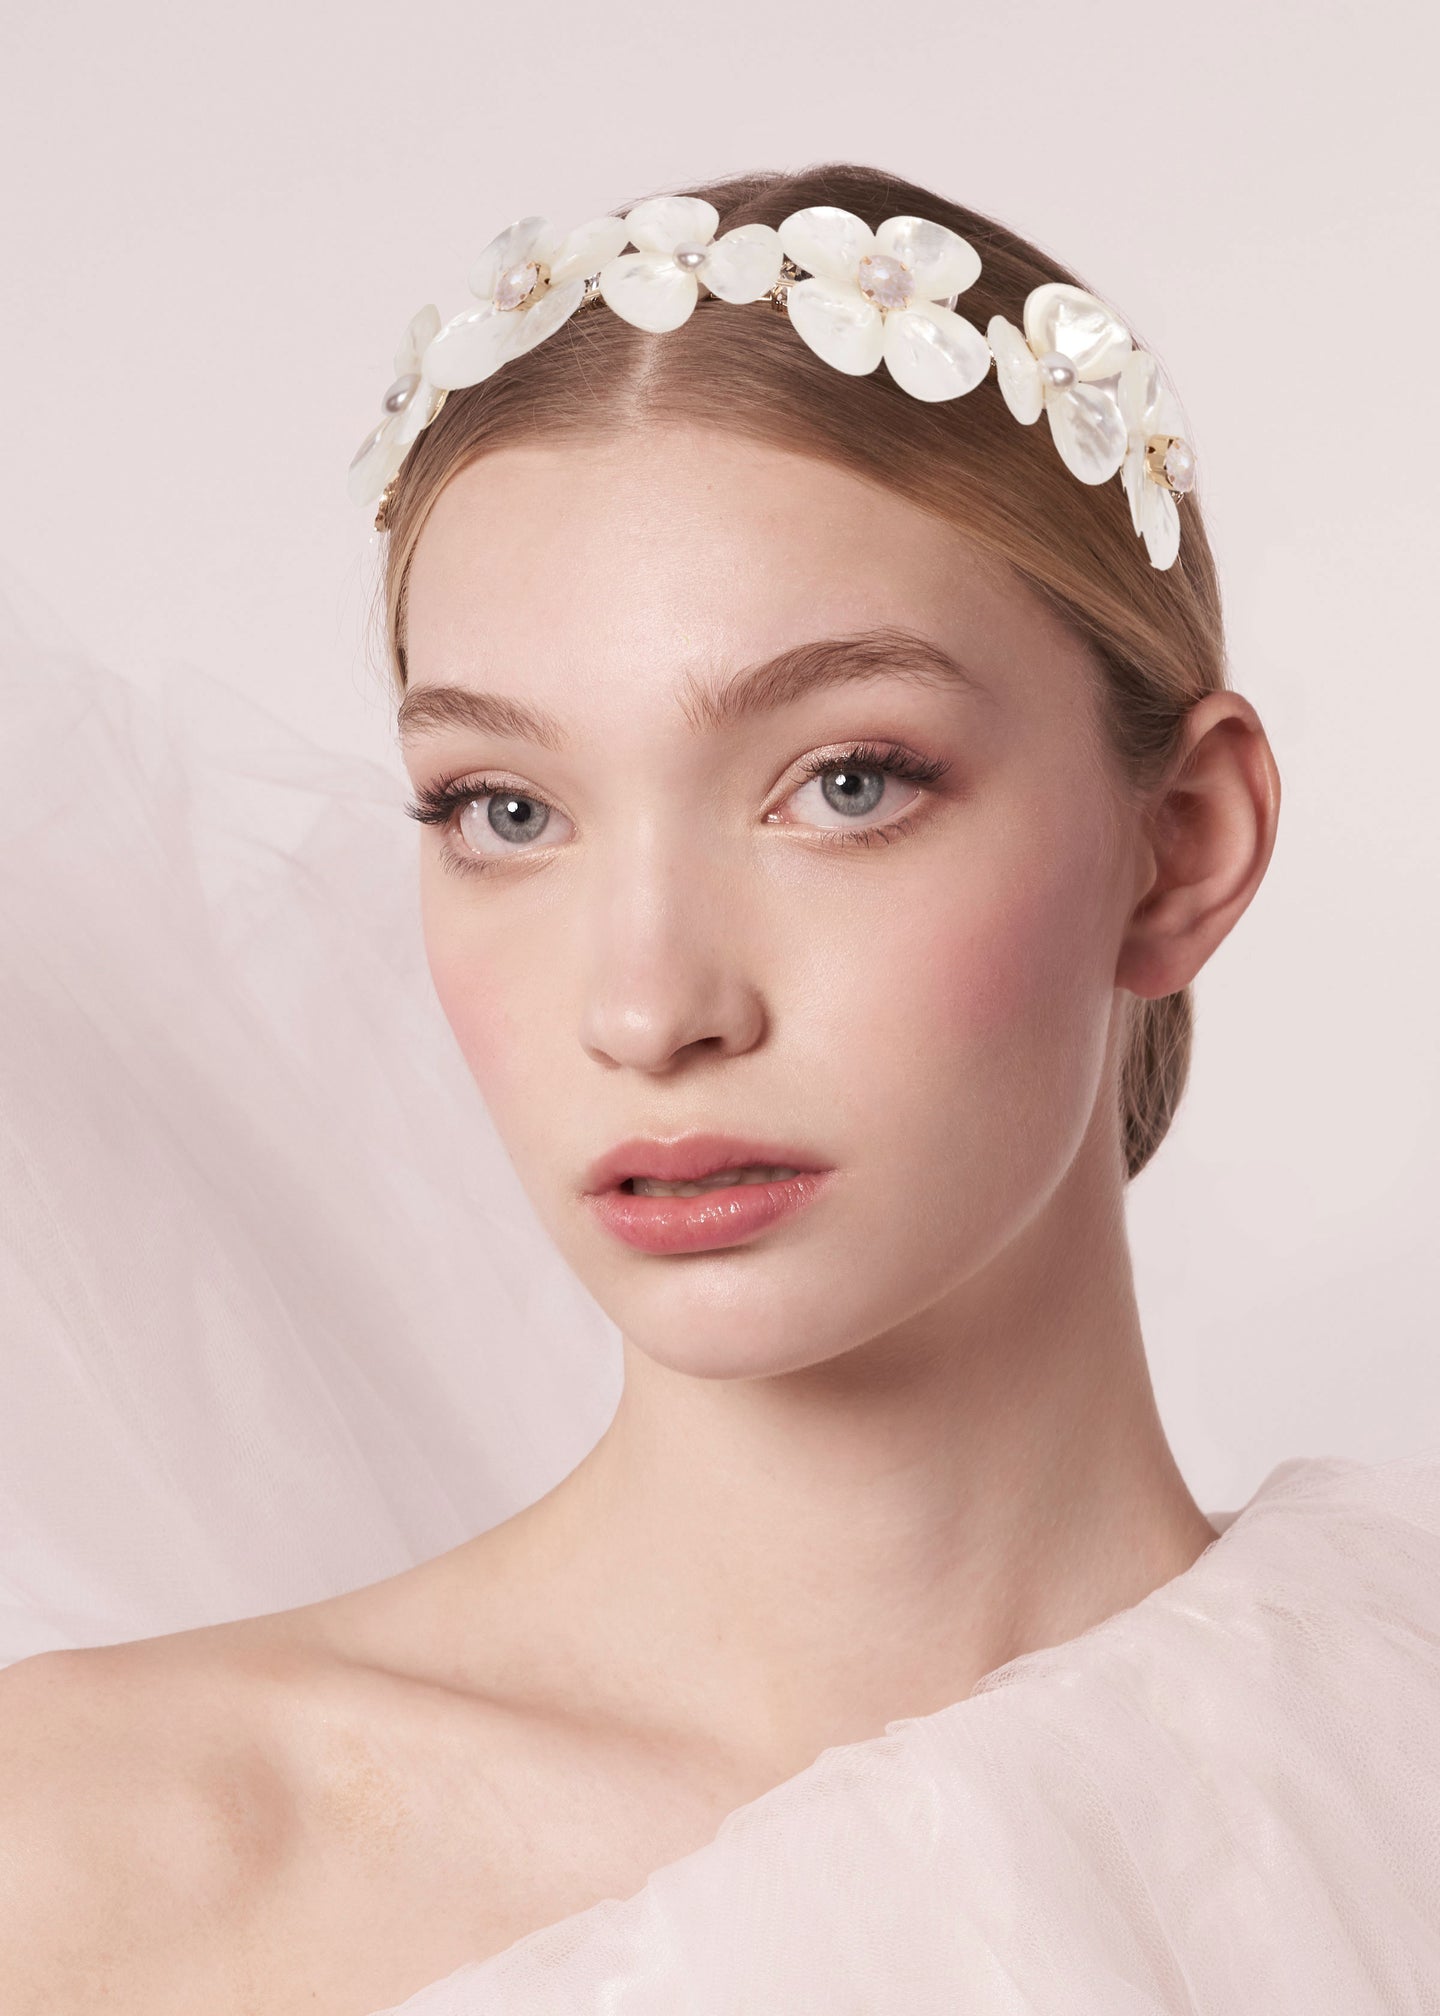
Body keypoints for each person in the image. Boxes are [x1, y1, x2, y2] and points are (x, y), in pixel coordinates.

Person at [1, 161, 1437, 2015]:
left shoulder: (1390, 1750)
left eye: (847, 779)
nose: (646, 1006)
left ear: (1182, 848)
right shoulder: (97, 1856)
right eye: (502, 813)